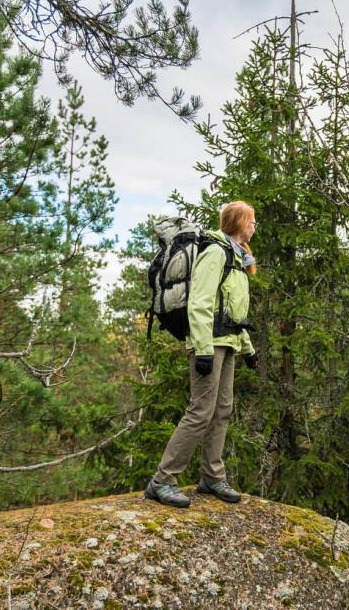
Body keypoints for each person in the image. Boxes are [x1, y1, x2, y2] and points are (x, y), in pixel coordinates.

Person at [145, 201, 259, 508]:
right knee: (200, 411)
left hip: (229, 343)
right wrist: (204, 349)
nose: (254, 226)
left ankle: (212, 476)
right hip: (208, 343)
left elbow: (231, 311)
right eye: (252, 221)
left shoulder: (236, 258)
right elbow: (199, 302)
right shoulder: (216, 253)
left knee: (222, 410)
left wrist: (248, 349)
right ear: (239, 222)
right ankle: (162, 480)